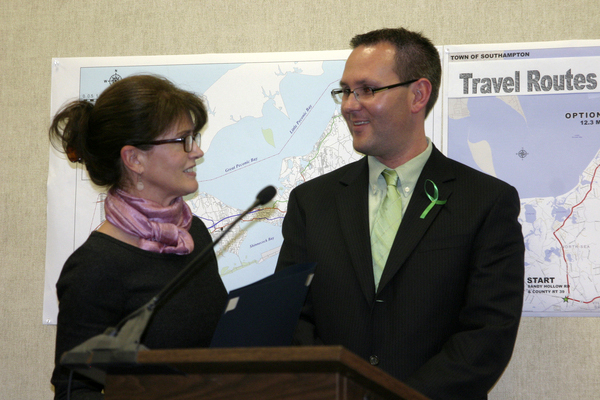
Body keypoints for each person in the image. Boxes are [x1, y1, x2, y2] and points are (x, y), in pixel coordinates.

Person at [275, 28, 524, 400]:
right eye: (345, 91)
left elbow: (486, 335)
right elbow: (292, 316)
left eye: (367, 89)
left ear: (418, 94)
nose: (348, 105)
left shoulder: (485, 202)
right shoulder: (312, 202)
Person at [49, 75, 228, 400]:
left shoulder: (194, 234)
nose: (198, 151)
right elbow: (75, 390)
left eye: (195, 137)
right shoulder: (95, 266)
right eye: (183, 140)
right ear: (135, 159)